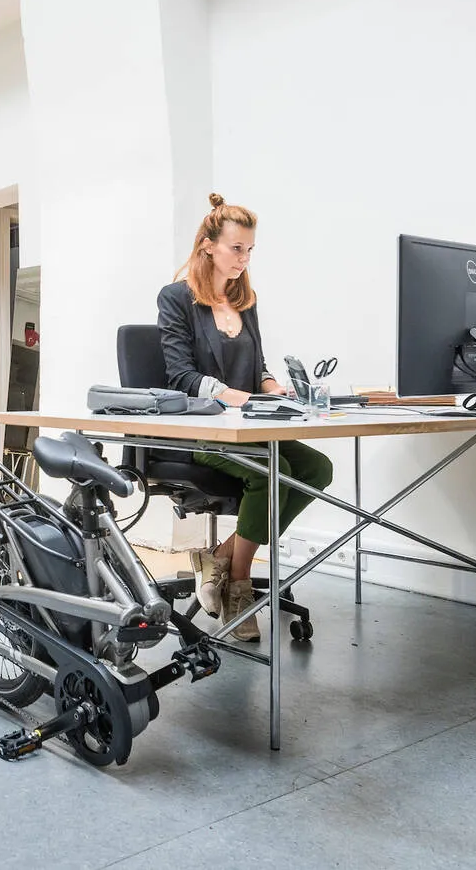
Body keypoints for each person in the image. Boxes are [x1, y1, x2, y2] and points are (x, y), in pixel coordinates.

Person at [156, 192, 333, 641]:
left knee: (317, 468)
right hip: (204, 431)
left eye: (250, 250)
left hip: (247, 425)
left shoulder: (245, 301)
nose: (244, 258)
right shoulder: (177, 299)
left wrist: (274, 389)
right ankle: (239, 584)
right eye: (237, 248)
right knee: (273, 470)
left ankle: (219, 555)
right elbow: (181, 376)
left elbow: (259, 368)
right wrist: (239, 398)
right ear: (208, 247)